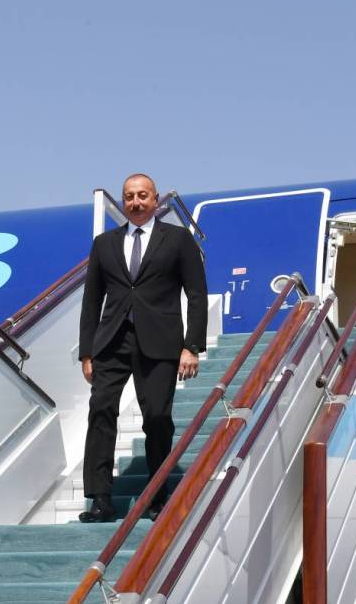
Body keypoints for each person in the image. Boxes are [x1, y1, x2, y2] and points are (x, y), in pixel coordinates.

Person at [77, 173, 208, 523]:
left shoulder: (178, 239)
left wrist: (191, 346)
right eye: (129, 196)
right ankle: (100, 499)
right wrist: (87, 352)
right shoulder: (104, 244)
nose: (135, 202)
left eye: (142, 196)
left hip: (160, 341)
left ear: (155, 199)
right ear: (123, 201)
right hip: (112, 341)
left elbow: (196, 294)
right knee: (101, 412)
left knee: (158, 418)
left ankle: (157, 494)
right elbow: (92, 300)